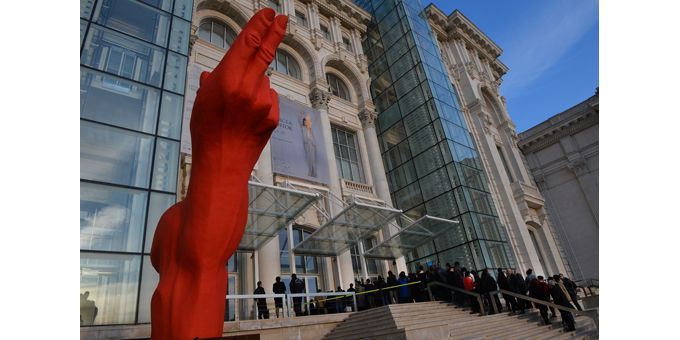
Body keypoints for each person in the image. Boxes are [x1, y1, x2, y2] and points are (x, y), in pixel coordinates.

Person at [300, 112, 317, 177]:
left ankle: (314, 172)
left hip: (312, 146)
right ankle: (311, 171)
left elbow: (313, 138)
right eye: (304, 122)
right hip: (307, 145)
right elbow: (305, 138)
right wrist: (301, 115)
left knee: (313, 159)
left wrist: (314, 144)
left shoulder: (310, 129)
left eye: (306, 122)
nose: (305, 123)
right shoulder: (303, 129)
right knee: (309, 159)